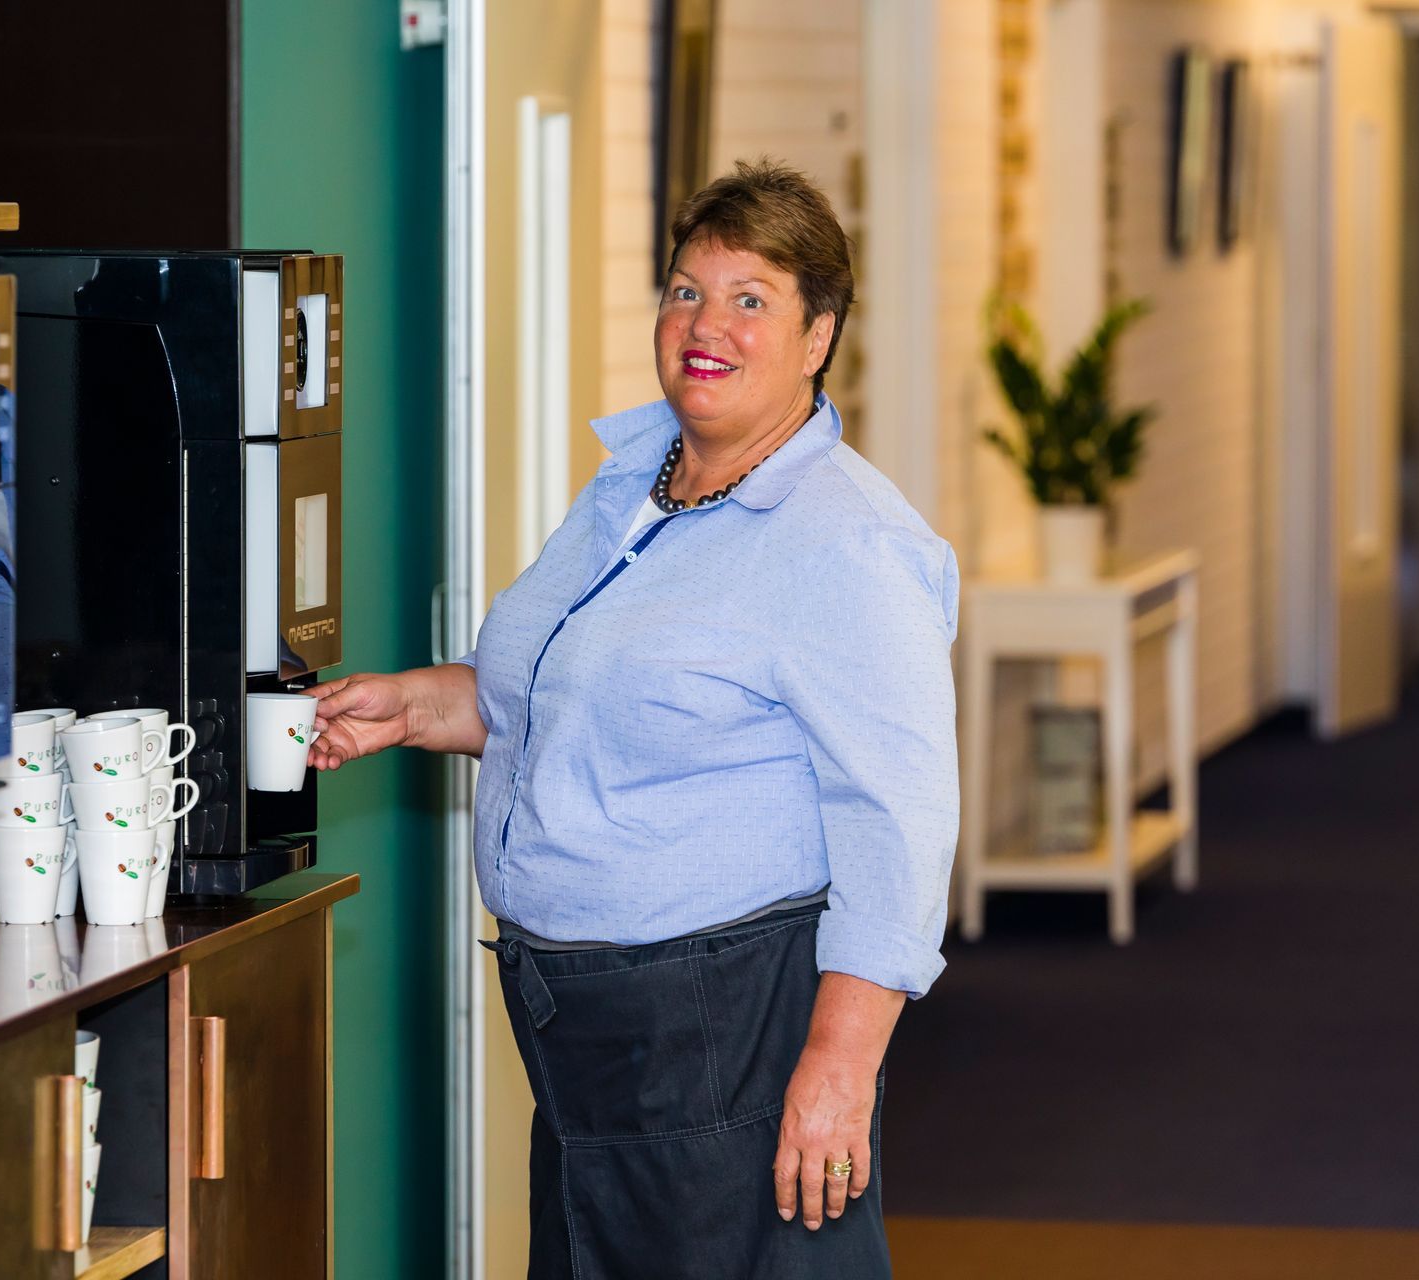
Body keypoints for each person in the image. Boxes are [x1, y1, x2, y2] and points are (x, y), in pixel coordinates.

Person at [308, 158, 959, 1278]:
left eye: (751, 298)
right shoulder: (632, 487)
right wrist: (411, 706)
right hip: (584, 1045)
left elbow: (901, 825)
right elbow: (560, 698)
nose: (706, 324)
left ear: (818, 335)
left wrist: (840, 1068)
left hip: (717, 1037)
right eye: (685, 289)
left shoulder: (847, 541)